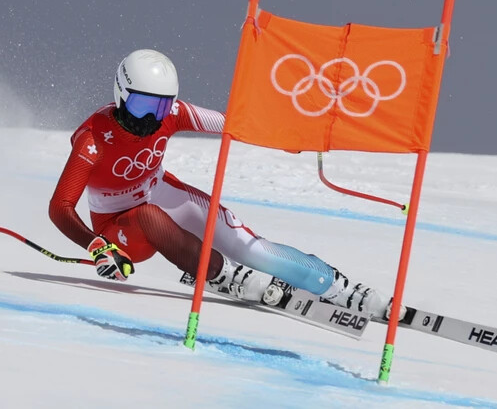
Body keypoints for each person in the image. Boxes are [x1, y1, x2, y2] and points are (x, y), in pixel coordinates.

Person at [48, 49, 397, 319]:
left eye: (161, 106)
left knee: (250, 247)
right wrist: (96, 246)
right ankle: (223, 273)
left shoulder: (173, 115)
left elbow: (233, 124)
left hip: (160, 192)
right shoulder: (93, 139)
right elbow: (60, 207)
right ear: (121, 94)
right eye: (141, 106)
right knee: (148, 216)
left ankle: (333, 284)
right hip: (119, 228)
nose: (152, 118)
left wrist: (285, 136)